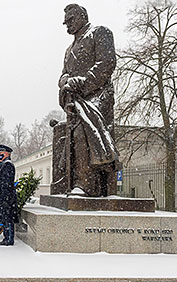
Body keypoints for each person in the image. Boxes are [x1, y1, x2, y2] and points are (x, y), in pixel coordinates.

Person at [57, 3, 118, 196]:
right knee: (65, 136)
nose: (68, 25)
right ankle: (70, 181)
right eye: (65, 22)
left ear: (83, 16)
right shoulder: (69, 50)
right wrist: (66, 82)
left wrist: (82, 82)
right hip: (75, 99)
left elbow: (107, 63)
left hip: (97, 95)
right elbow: (63, 75)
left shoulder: (99, 32)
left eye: (71, 20)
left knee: (84, 130)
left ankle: (86, 184)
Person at [0, 145, 18, 246]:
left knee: (8, 218)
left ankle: (9, 239)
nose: (0, 155)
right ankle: (6, 238)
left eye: (1, 153)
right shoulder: (3, 165)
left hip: (6, 197)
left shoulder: (8, 165)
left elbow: (6, 183)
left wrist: (4, 197)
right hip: (2, 196)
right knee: (5, 218)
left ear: (7, 154)